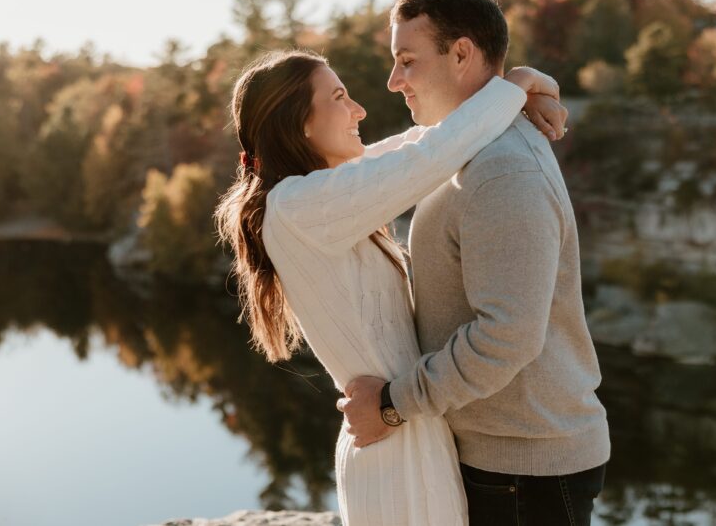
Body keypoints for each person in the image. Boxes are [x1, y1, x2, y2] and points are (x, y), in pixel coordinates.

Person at [214, 47, 566, 525]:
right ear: (300, 125)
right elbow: (435, 154)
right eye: (339, 97)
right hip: (393, 446)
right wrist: (519, 82)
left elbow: (426, 139)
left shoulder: (323, 189)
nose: (359, 110)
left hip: (400, 432)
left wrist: (526, 85)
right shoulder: (302, 206)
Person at [339, 0, 611, 526]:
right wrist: (513, 87)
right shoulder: (462, 146)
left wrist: (393, 404)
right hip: (504, 459)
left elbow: (506, 336)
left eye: (408, 61)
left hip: (525, 468)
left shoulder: (502, 169)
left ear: (461, 53)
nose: (394, 82)